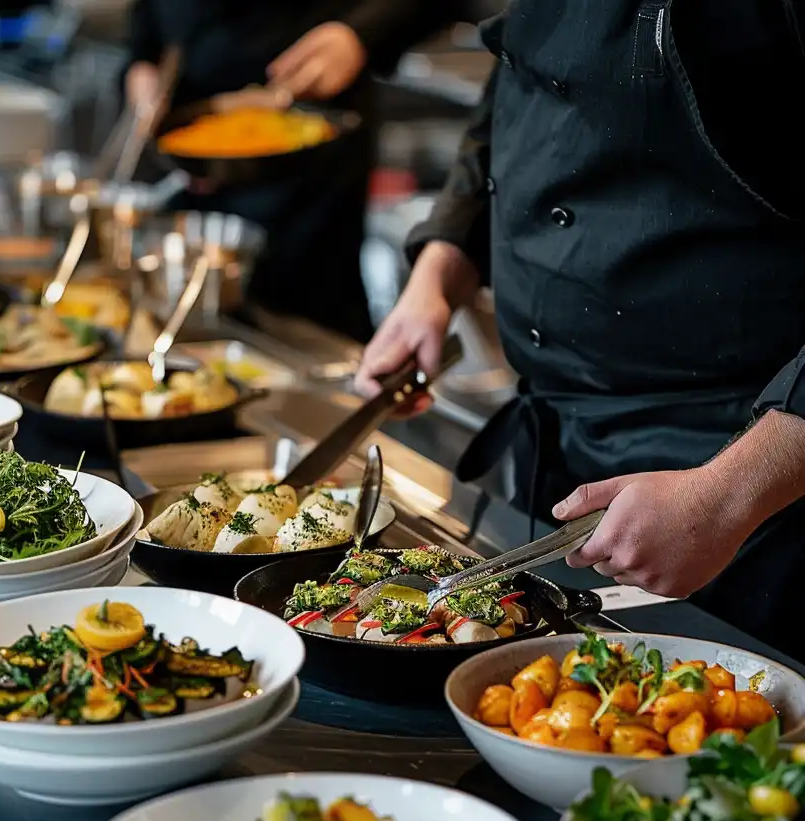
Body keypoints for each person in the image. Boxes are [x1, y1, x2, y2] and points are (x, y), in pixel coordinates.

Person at [355, 1, 805, 659]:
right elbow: (521, 81)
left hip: (751, 487)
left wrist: (727, 496)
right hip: (558, 452)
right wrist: (439, 270)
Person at [123, 1, 456, 342]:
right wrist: (141, 61)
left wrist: (359, 35)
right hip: (196, 152)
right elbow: (147, 17)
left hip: (309, 163)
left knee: (306, 326)